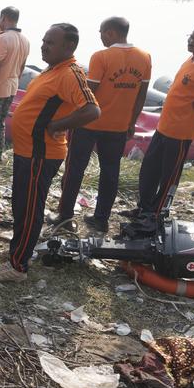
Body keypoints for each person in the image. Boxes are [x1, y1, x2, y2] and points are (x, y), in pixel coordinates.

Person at [0, 24, 99, 282]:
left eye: (50, 42)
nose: (43, 45)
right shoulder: (53, 70)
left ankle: (18, 266)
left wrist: (57, 126)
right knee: (21, 203)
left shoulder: (71, 74)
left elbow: (91, 110)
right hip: (27, 151)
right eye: (43, 40)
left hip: (40, 154)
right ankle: (18, 249)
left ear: (69, 47)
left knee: (30, 207)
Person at [123, 23, 194, 238]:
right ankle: (144, 209)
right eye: (192, 36)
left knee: (168, 176)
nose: (192, 41)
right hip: (164, 127)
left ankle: (156, 215)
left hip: (182, 132)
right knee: (149, 170)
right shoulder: (191, 59)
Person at [53, 17, 151, 232]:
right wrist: (132, 123)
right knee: (110, 172)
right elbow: (141, 96)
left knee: (75, 168)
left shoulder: (101, 56)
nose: (100, 37)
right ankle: (101, 218)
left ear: (111, 33)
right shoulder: (144, 57)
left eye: (101, 32)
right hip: (118, 126)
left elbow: (88, 93)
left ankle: (65, 215)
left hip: (89, 124)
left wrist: (69, 119)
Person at [0, 6, 31, 167]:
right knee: (0, 122)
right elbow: (22, 67)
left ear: (3, 18)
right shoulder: (25, 40)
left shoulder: (3, 38)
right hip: (11, 87)